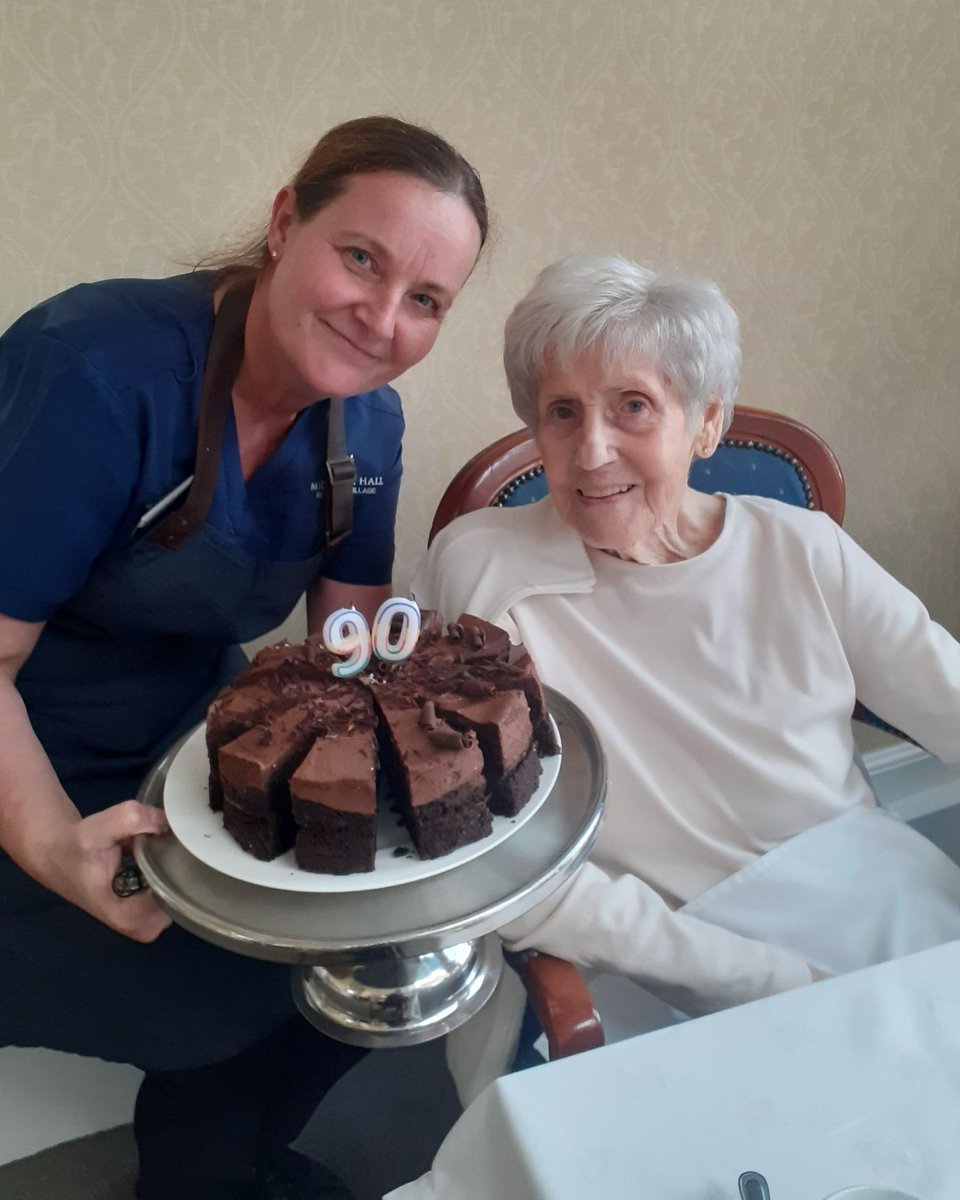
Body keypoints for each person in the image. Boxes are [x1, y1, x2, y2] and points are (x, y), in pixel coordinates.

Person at [0, 115, 487, 1199]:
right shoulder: (98, 369)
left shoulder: (369, 428)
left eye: (425, 300)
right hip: (26, 756)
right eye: (361, 256)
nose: (381, 317)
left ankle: (213, 1167)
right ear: (283, 224)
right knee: (223, 996)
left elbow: (347, 654)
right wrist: (47, 844)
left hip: (179, 733)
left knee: (378, 956)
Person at [412, 253, 960, 1097]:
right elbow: (495, 857)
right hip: (648, 950)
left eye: (633, 405)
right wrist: (769, 983)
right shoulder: (486, 567)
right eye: (562, 412)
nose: (593, 452)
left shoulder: (800, 548)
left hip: (865, 897)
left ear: (707, 422)